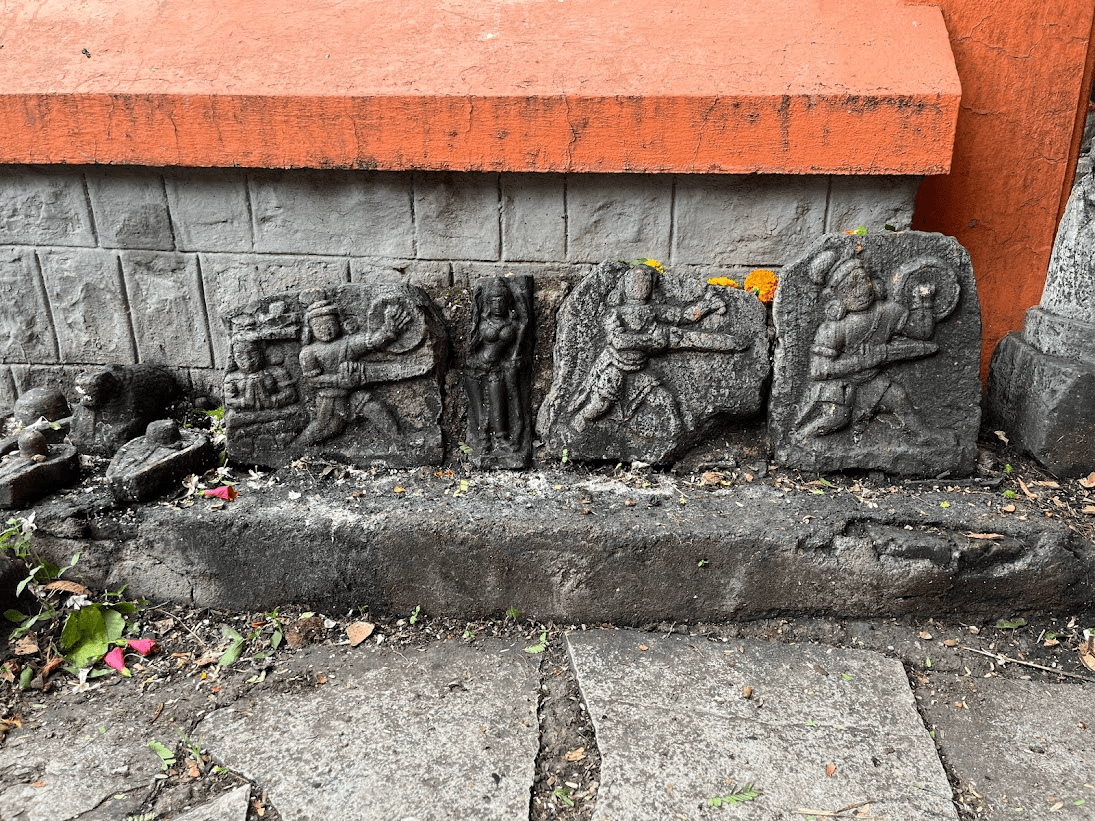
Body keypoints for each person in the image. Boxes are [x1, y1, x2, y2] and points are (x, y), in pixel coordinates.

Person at [570, 264, 737, 433]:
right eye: (635, 280)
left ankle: (674, 435)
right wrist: (652, 341)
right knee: (601, 405)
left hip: (640, 369)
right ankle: (579, 422)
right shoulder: (615, 314)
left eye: (645, 281)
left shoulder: (654, 311)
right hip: (615, 368)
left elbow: (684, 316)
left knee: (666, 402)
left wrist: (707, 305)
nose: (640, 285)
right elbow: (619, 342)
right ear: (625, 284)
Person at [796, 256, 939, 440]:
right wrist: (861, 361)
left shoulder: (888, 312)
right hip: (839, 384)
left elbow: (922, 333)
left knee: (898, 397)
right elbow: (818, 370)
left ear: (872, 281)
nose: (860, 291)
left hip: (870, 378)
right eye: (850, 287)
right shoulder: (834, 327)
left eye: (864, 281)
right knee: (837, 419)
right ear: (837, 296)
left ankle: (923, 435)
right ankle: (801, 439)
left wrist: (924, 302)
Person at [295, 299, 410, 447]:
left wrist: (388, 332)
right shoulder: (308, 353)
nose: (325, 328)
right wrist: (338, 380)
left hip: (352, 395)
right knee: (329, 428)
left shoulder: (347, 343)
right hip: (330, 400)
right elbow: (312, 380)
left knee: (374, 408)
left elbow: (371, 342)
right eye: (318, 325)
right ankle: (297, 447)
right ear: (310, 329)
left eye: (330, 323)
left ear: (339, 323)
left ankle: (401, 440)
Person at [464, 278, 528, 454]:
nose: (497, 304)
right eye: (493, 300)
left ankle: (501, 438)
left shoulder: (513, 323)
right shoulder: (482, 322)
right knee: (479, 407)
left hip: (497, 368)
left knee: (498, 401)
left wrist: (521, 300)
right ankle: (483, 440)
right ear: (487, 303)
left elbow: (523, 328)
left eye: (501, 300)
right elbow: (471, 345)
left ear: (507, 301)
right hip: (476, 367)